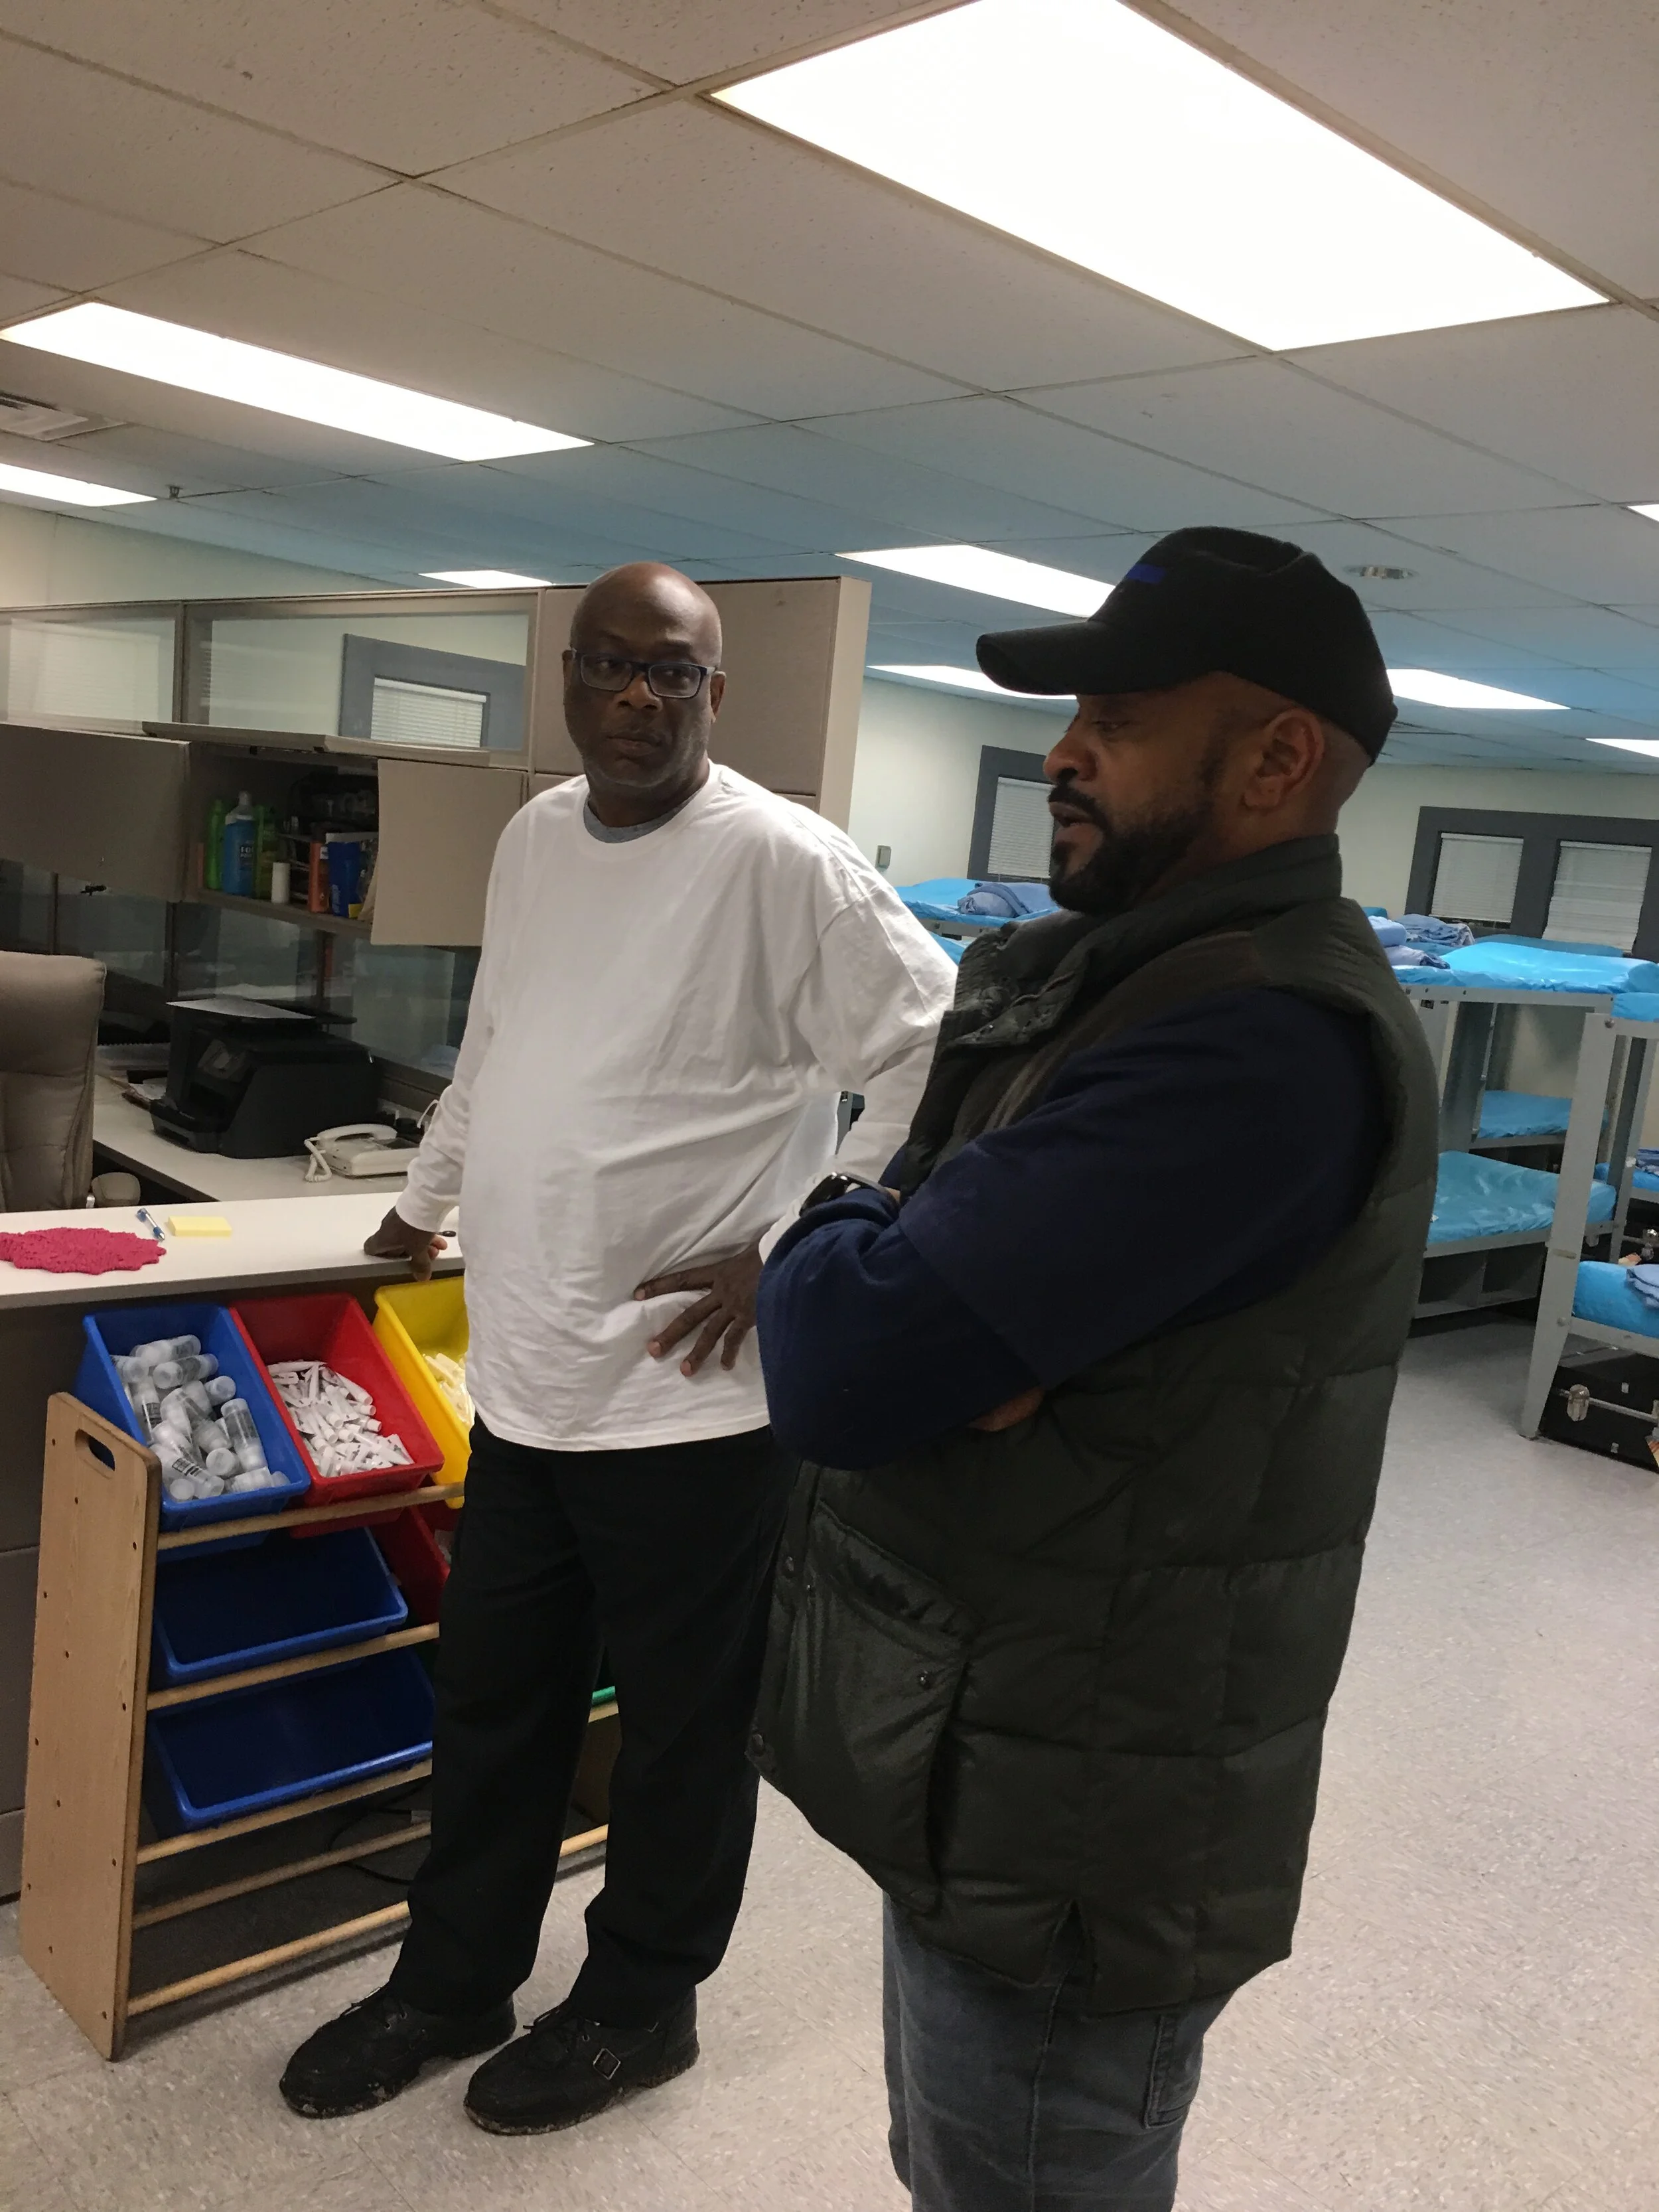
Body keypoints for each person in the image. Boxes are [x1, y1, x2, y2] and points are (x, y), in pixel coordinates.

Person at [751, 528, 1439, 2212]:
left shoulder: (1251, 1043)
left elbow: (839, 1360)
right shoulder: (1119, 986)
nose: (1063, 748)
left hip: (1080, 1814)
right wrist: (921, 1276)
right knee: (957, 2165)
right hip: (1001, 1748)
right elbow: (902, 1336)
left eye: (1119, 715)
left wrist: (848, 1202)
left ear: (1278, 758)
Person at [280, 561, 955, 2132]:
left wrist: (807, 1238)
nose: (640, 700)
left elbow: (941, 1046)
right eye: (610, 668)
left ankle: (643, 2006)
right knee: (494, 1708)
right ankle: (448, 1984)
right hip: (526, 1377)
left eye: (675, 674)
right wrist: (422, 1205)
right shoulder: (531, 837)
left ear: (718, 695)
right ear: (566, 681)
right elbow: (499, 1038)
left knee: (676, 1738)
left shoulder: (787, 861)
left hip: (693, 1407)